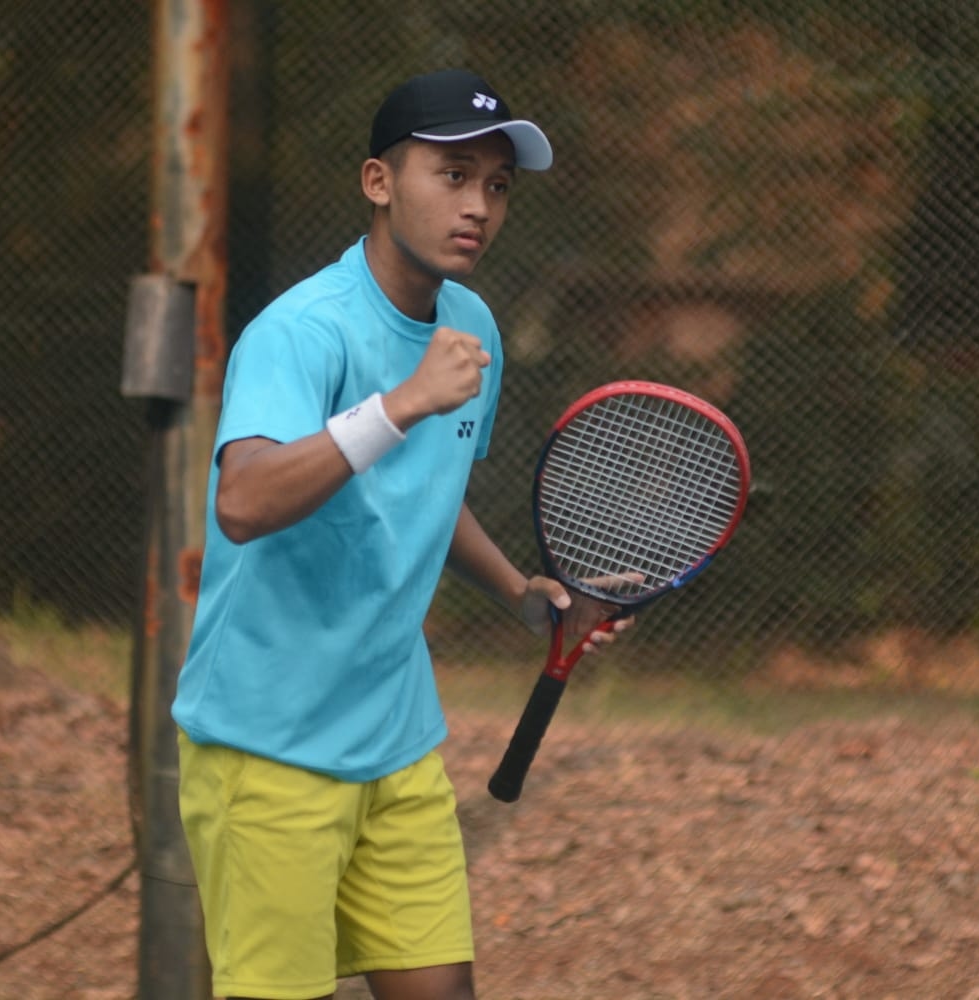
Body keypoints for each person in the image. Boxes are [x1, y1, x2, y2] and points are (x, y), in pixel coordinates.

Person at [171, 69, 630, 1000]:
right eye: (452, 176)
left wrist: (520, 591)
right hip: (268, 751)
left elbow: (423, 491)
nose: (479, 207)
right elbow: (244, 503)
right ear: (379, 182)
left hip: (398, 741)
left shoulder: (472, 330)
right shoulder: (300, 332)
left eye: (496, 186)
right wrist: (404, 400)